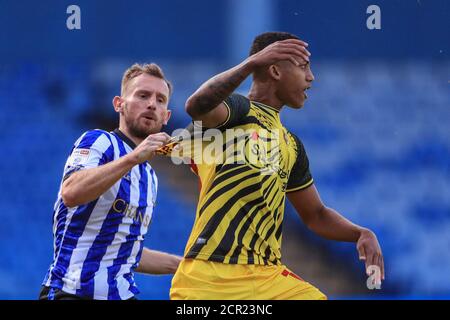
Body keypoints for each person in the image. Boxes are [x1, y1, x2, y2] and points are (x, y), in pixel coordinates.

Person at [169, 32, 384, 300]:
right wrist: (250, 64)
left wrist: (360, 233)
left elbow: (315, 214)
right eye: (304, 67)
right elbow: (196, 106)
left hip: (266, 277)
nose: (311, 77)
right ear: (275, 70)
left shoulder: (292, 145)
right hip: (212, 276)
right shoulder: (239, 111)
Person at [40, 63, 182, 300]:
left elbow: (124, 250)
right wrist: (134, 157)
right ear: (119, 104)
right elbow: (71, 192)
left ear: (166, 117)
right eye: (143, 95)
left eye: (160, 100)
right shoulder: (98, 141)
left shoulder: (150, 178)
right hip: (72, 292)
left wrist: (181, 264)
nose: (151, 104)